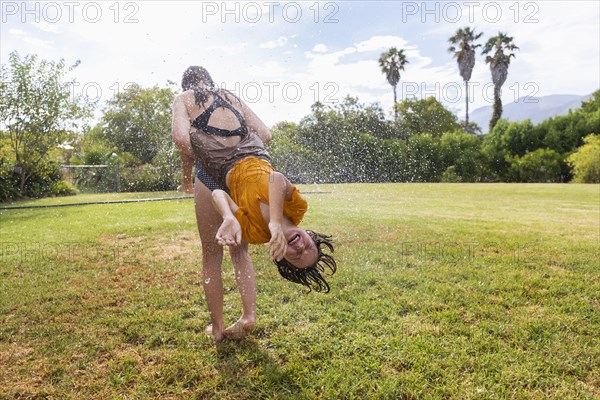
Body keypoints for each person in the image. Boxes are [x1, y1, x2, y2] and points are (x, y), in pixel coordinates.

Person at [172, 66, 336, 342]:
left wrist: (205, 154)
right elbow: (265, 134)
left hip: (213, 173)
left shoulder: (183, 98)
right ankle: (248, 314)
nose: (299, 246)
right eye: (307, 245)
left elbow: (180, 139)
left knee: (211, 255)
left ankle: (218, 328)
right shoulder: (229, 96)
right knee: (239, 253)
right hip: (246, 165)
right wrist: (238, 142)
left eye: (295, 254)